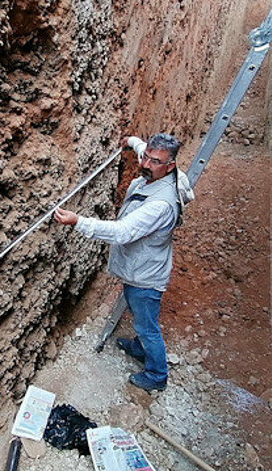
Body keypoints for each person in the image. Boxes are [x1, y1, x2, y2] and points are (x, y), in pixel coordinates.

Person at [53, 133, 192, 392]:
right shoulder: (164, 169)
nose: (147, 165)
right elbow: (142, 149)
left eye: (155, 161)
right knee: (141, 315)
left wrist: (77, 222)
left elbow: (122, 232)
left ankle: (156, 375)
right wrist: (131, 140)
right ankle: (140, 348)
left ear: (170, 166)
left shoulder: (161, 205)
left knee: (146, 324)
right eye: (146, 157)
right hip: (139, 268)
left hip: (146, 276)